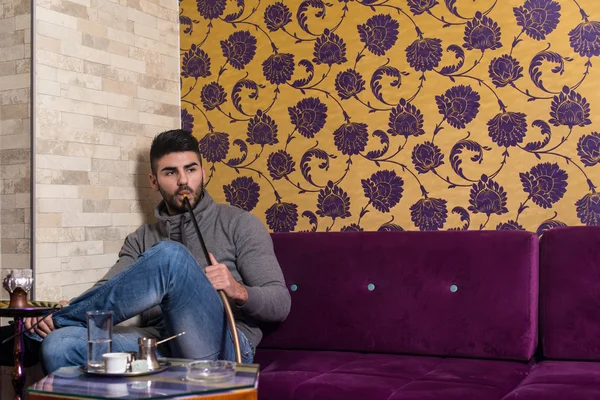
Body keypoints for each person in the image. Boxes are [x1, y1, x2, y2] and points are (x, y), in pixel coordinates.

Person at [15, 129, 291, 373]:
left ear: (203, 172)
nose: (183, 180)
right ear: (154, 180)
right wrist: (69, 308)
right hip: (158, 343)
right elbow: (108, 289)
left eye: (191, 169)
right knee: (59, 345)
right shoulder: (141, 239)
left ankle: (32, 333)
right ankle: (55, 325)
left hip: (224, 346)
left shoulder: (239, 223)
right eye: (171, 172)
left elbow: (280, 303)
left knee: (171, 256)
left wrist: (236, 289)